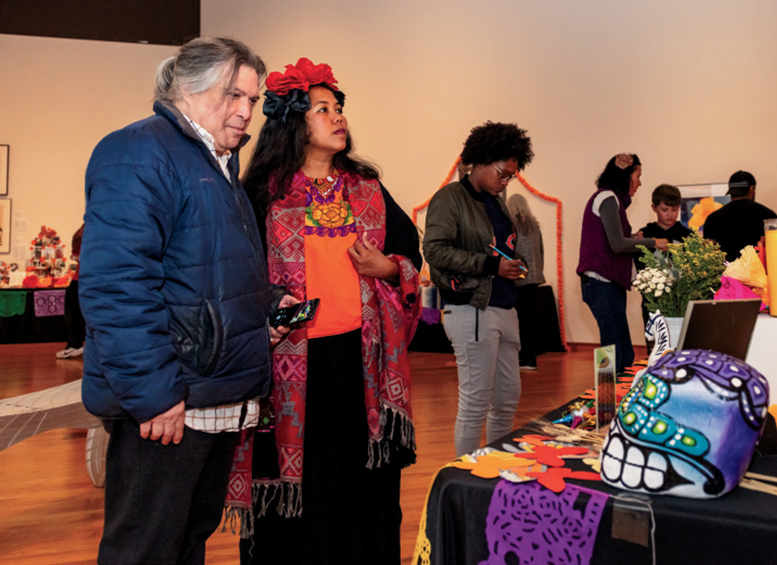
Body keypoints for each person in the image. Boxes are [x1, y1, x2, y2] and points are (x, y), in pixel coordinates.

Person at [79, 37, 294, 565]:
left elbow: (204, 273)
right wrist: (153, 394)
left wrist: (263, 308)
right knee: (145, 549)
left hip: (210, 394)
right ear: (187, 90)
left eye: (253, 99)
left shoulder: (217, 162)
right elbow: (116, 287)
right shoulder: (138, 151)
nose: (246, 111)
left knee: (186, 541)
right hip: (169, 402)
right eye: (233, 96)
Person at [236, 58, 422, 564]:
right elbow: (238, 275)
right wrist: (274, 302)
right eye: (323, 109)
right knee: (302, 494)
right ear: (294, 121)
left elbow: (410, 253)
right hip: (291, 371)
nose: (338, 117)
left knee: (364, 485)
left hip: (363, 367)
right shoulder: (262, 195)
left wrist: (388, 268)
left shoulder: (368, 190)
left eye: (338, 108)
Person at [423, 122, 534, 456]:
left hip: (503, 306)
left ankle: (496, 467)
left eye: (511, 175)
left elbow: (497, 246)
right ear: (481, 160)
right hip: (472, 308)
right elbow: (435, 250)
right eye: (503, 172)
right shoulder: (450, 198)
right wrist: (491, 265)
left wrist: (511, 265)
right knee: (475, 403)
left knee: (506, 400)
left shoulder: (496, 202)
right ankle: (466, 476)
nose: (506, 180)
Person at [576, 153, 667, 374]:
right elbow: (617, 244)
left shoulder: (612, 200)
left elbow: (613, 241)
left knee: (621, 351)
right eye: (637, 176)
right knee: (614, 349)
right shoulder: (608, 197)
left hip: (606, 284)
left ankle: (613, 401)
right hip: (601, 284)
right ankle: (607, 403)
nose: (640, 183)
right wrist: (653, 242)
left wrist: (634, 239)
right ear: (625, 176)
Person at [634, 184, 694, 342]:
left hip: (681, 300)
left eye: (674, 210)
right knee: (654, 344)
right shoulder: (645, 235)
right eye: (665, 210)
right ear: (654, 207)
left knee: (680, 343)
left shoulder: (688, 236)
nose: (670, 215)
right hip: (652, 301)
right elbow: (639, 268)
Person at [506, 193, 546, 371]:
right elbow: (541, 252)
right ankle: (531, 357)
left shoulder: (512, 226)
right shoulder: (534, 226)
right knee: (531, 319)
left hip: (519, 280)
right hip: (535, 278)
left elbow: (511, 253)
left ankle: (526, 358)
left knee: (520, 321)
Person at [702, 170, 777, 262]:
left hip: (727, 274)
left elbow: (707, 254)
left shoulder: (713, 218)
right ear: (751, 189)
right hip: (760, 273)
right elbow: (776, 250)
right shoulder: (769, 216)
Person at [56, 223, 86, 359]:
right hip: (84, 277)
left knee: (73, 311)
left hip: (83, 278)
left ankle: (75, 345)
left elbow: (78, 236)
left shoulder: (92, 226)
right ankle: (76, 344)